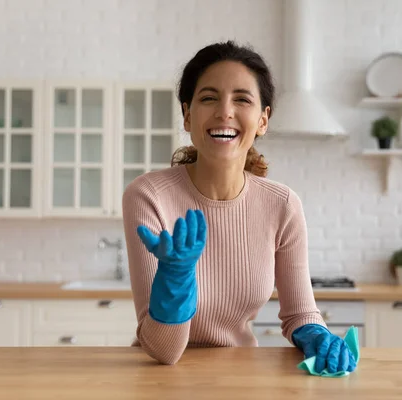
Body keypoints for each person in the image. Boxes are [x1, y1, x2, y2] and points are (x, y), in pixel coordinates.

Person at [122, 40, 357, 373]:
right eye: (208, 98)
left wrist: (315, 333)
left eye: (242, 99)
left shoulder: (282, 204)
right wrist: (176, 280)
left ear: (263, 120)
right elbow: (163, 352)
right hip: (162, 380)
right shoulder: (149, 196)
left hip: (243, 375)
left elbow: (299, 313)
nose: (224, 112)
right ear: (187, 116)